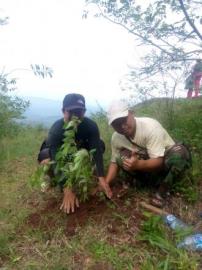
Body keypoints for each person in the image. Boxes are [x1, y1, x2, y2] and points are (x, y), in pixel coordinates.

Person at [105, 100, 192, 204]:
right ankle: (146, 182)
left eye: (124, 120)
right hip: (146, 163)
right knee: (120, 157)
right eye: (116, 124)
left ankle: (162, 192)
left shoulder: (150, 127)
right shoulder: (116, 138)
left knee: (180, 154)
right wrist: (105, 183)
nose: (122, 126)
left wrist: (138, 165)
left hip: (164, 162)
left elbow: (159, 161)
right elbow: (114, 162)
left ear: (132, 113)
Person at [38, 93, 112, 214]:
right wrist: (67, 190)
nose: (75, 116)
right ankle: (52, 179)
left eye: (79, 112)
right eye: (71, 112)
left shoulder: (90, 126)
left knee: (100, 144)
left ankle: (84, 169)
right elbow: (57, 160)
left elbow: (96, 150)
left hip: (78, 151)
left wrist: (101, 177)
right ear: (63, 111)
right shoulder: (56, 130)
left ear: (84, 111)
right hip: (61, 154)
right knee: (46, 160)